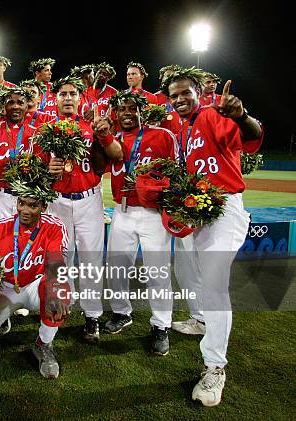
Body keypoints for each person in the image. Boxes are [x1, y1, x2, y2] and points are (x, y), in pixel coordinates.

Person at [163, 66, 263, 406]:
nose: (179, 99)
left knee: (214, 283)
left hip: (224, 207)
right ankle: (200, 319)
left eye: (184, 92)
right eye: (173, 95)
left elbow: (250, 138)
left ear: (198, 92)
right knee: (187, 270)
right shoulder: (182, 127)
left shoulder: (212, 114)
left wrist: (242, 115)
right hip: (198, 209)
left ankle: (215, 366)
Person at [0, 168, 70, 379]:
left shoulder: (54, 227)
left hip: (35, 285)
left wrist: (53, 292)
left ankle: (43, 344)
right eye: (21, 203)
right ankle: (1, 316)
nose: (25, 210)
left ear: (44, 206)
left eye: (33, 205)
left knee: (60, 292)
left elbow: (56, 264)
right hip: (5, 287)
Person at [45, 77, 123, 343]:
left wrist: (103, 134)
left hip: (90, 199)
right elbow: (34, 167)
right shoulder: (47, 129)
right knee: (59, 260)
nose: (68, 98)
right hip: (57, 200)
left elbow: (115, 156)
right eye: (63, 93)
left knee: (91, 261)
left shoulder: (92, 127)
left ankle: (92, 317)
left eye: (73, 93)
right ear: (55, 99)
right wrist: (46, 169)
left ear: (80, 99)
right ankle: (57, 308)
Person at [103, 91, 177, 355]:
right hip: (122, 211)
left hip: (153, 214)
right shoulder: (111, 140)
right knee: (117, 268)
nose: (126, 113)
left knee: (157, 272)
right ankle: (122, 313)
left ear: (141, 111)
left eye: (131, 108)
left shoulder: (162, 135)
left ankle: (161, 325)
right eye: (121, 109)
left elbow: (177, 171)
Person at [0, 87, 37, 223]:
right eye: (10, 102)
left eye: (20, 102)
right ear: (4, 106)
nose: (15, 107)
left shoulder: (36, 134)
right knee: (0, 239)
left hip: (27, 197)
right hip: (0, 195)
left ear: (27, 106)